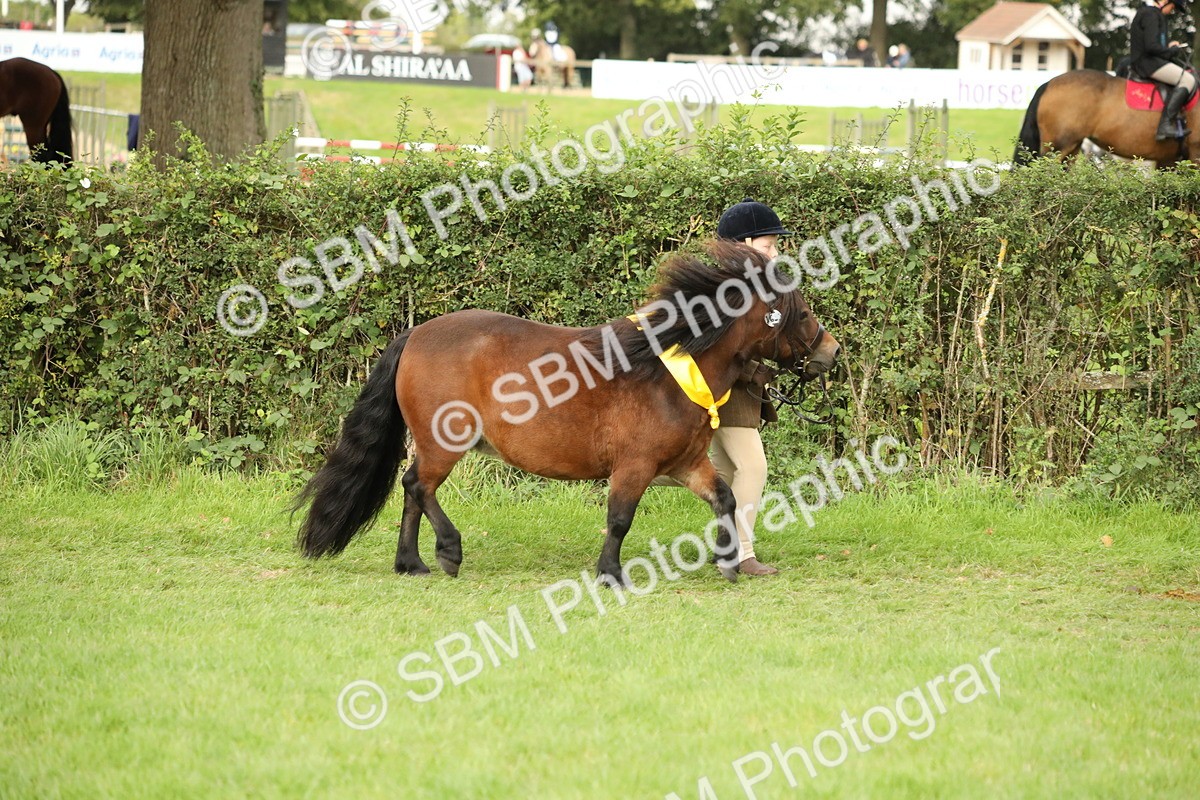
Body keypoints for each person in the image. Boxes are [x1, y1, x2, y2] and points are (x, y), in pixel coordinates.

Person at [708, 198, 792, 577]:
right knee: (753, 467)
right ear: (743, 246)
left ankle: (725, 548)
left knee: (726, 471)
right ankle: (741, 554)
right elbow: (724, 351)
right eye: (768, 246)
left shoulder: (746, 287)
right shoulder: (729, 291)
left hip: (733, 393)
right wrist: (756, 370)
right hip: (727, 396)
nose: (775, 254)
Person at [1130, 0, 1196, 140]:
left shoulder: (1150, 13)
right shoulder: (1151, 15)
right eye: (1173, 6)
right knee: (1188, 80)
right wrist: (1172, 51)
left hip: (1150, 61)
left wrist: (1169, 47)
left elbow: (1155, 45)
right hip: (1148, 63)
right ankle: (1164, 125)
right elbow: (1151, 47)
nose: (1172, 10)